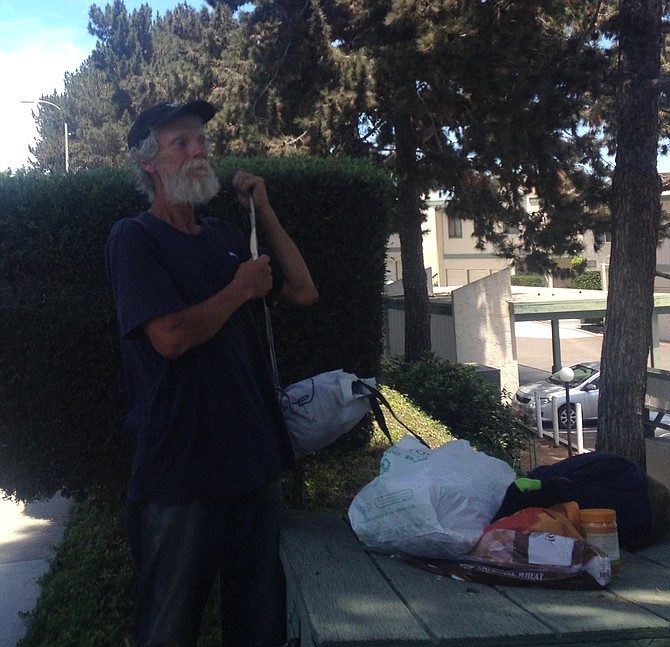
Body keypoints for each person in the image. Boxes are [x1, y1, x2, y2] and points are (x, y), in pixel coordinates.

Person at [105, 100, 318, 647]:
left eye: (201, 141)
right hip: (181, 474)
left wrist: (264, 211)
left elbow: (302, 290)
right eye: (182, 143)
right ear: (148, 162)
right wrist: (239, 288)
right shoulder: (135, 238)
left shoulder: (226, 235)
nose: (199, 151)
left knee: (258, 625)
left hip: (253, 462)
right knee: (168, 629)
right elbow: (170, 337)